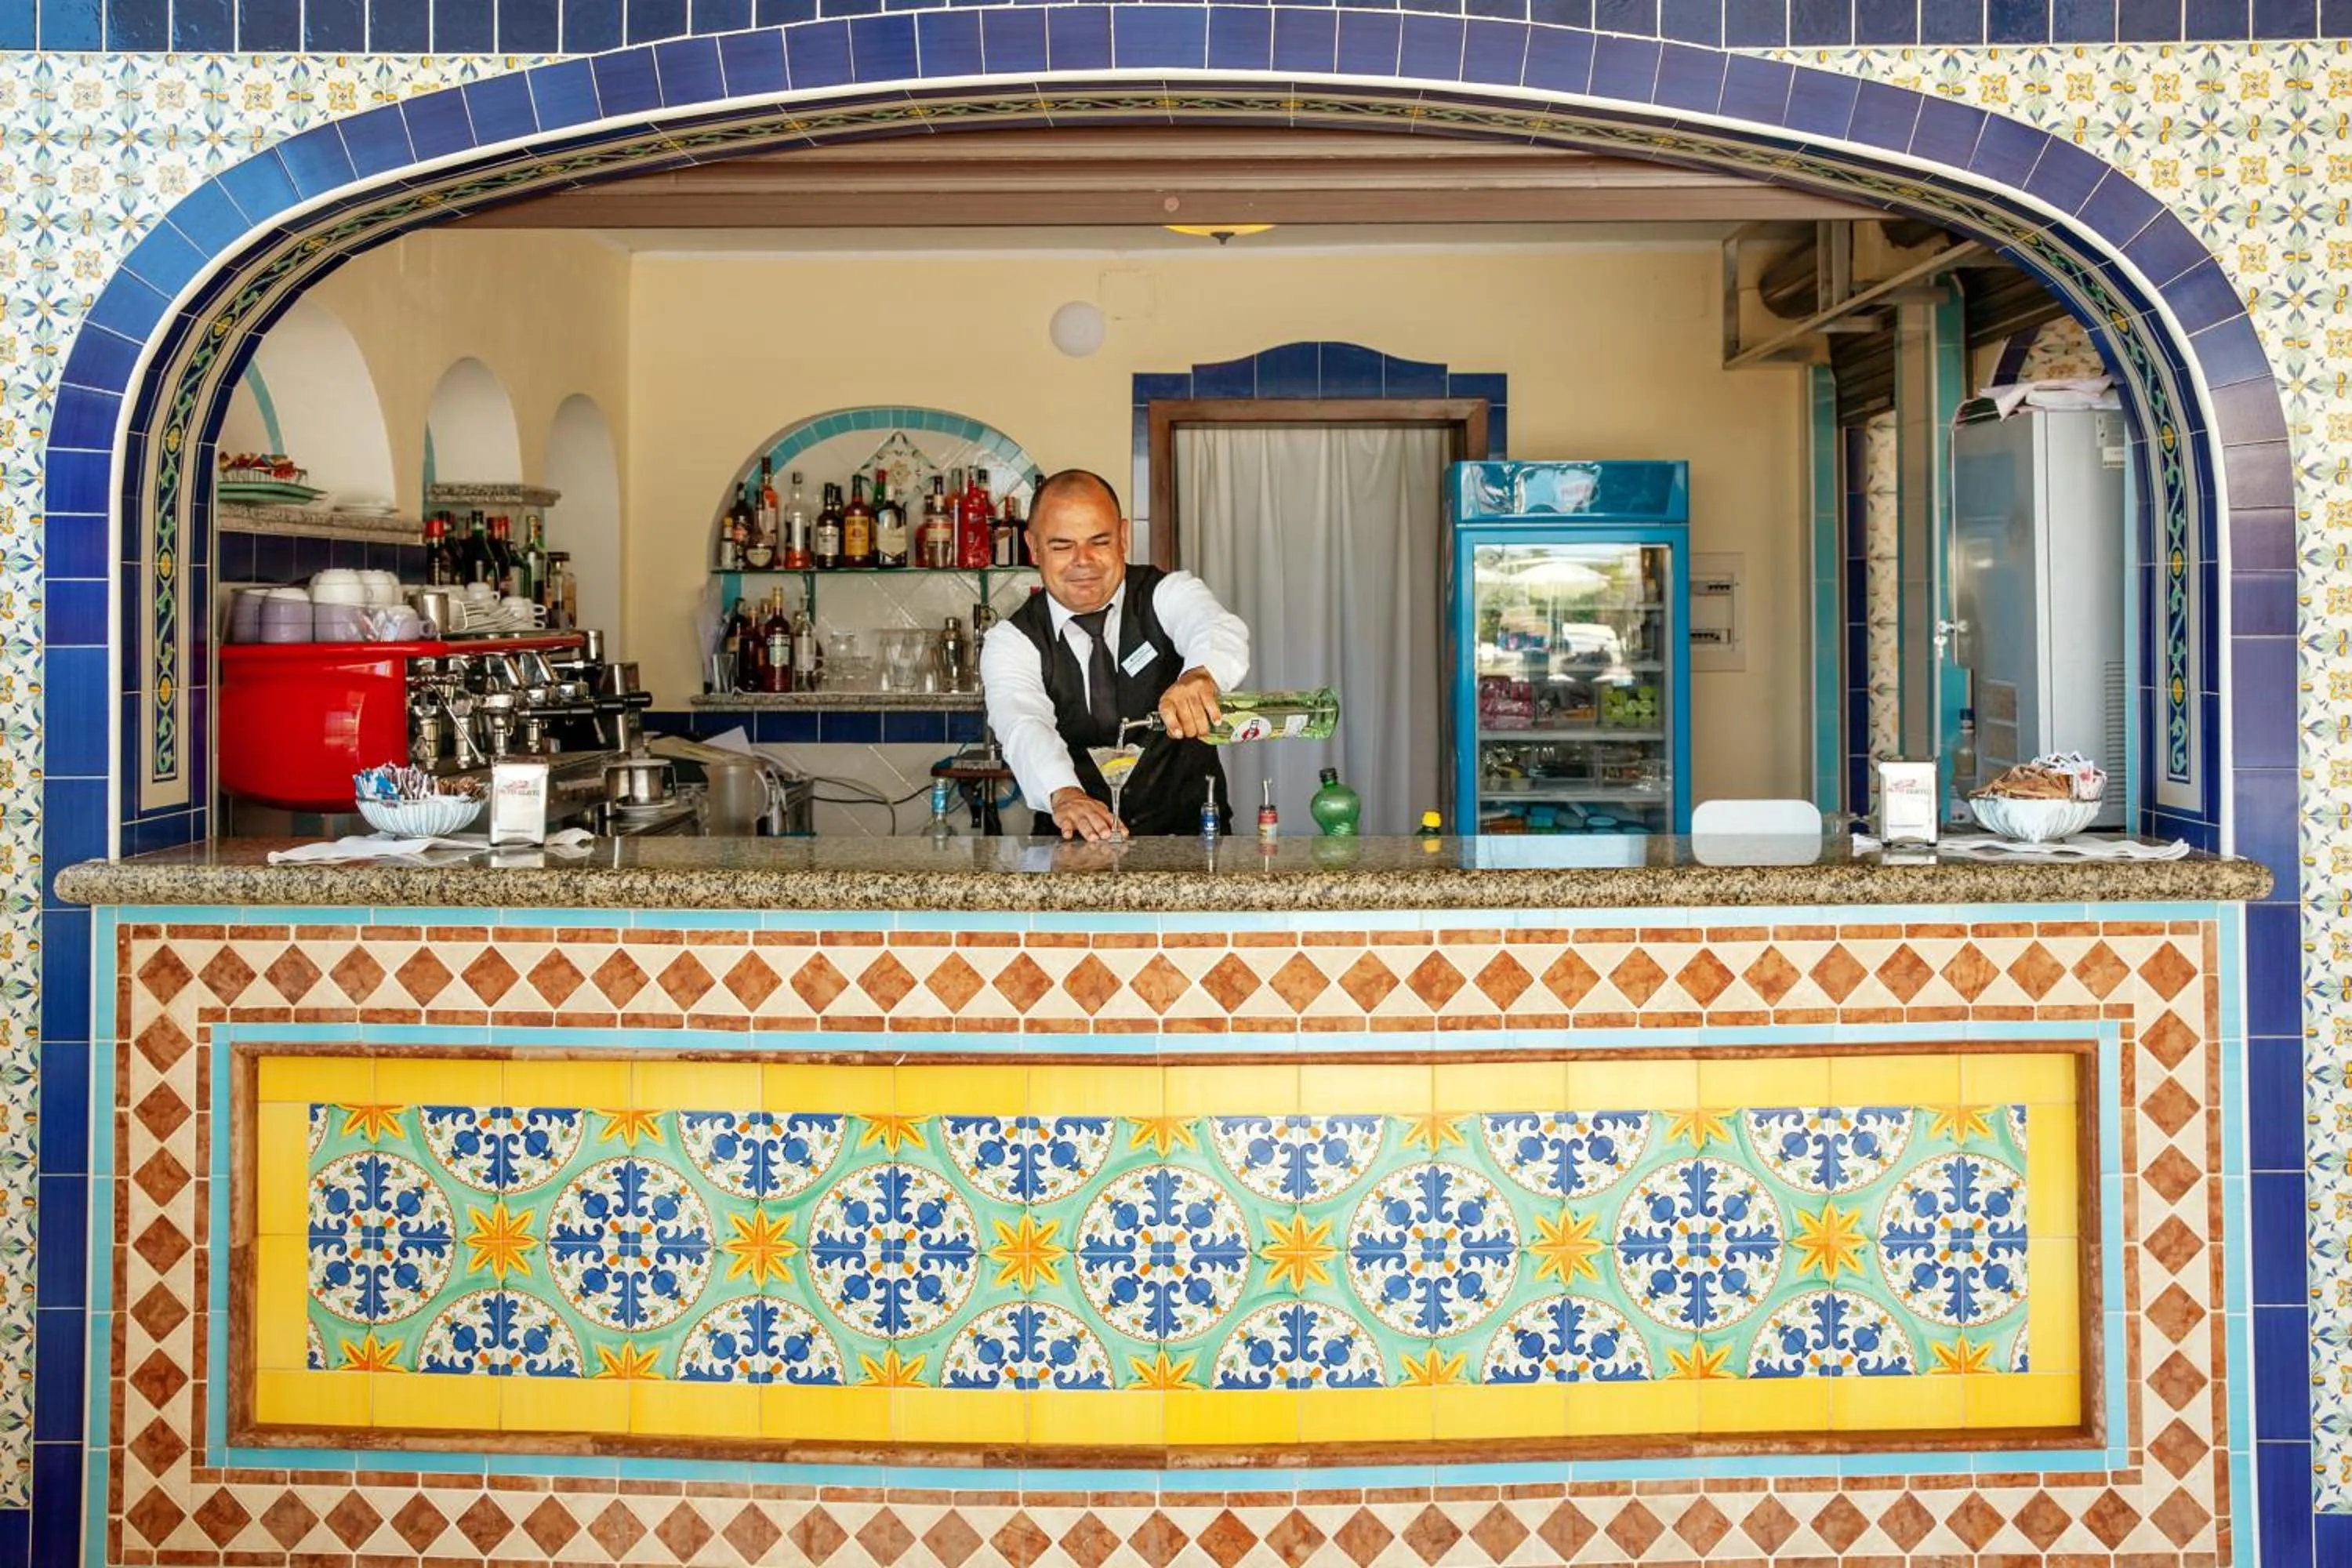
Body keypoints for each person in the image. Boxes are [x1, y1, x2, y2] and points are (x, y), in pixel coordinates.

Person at [980, 469, 1250, 840]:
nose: (1083, 560)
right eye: (1061, 546)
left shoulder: (1166, 593)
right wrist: (1065, 794)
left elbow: (1214, 627)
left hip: (1189, 838)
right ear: (1033, 546)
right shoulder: (1013, 640)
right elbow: (1023, 721)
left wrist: (1201, 675)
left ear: (1123, 536)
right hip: (1074, 843)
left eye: (1099, 541)